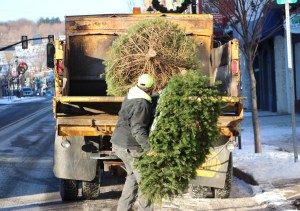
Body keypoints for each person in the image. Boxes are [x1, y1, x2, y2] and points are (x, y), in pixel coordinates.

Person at [110, 73, 155, 211]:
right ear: (151, 88)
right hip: (131, 147)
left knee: (132, 177)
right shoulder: (142, 105)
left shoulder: (131, 96)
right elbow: (137, 130)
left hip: (119, 144)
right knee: (146, 182)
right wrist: (149, 148)